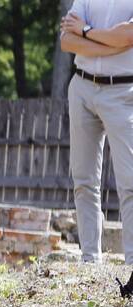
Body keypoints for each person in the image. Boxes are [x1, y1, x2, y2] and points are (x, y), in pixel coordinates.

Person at [60, 3, 133, 264]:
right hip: (82, 87)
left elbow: (128, 35)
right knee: (83, 180)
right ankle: (90, 259)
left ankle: (132, 263)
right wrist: (111, 42)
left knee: (130, 182)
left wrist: (86, 31)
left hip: (124, 92)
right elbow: (67, 41)